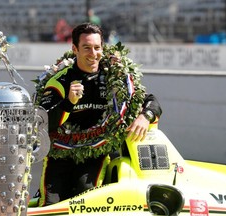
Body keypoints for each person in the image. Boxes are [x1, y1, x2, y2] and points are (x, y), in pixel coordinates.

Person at [35, 23, 162, 206]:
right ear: (74, 49)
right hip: (60, 155)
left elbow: (151, 101)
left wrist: (145, 116)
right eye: (86, 48)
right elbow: (45, 122)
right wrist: (69, 102)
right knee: (50, 205)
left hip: (96, 153)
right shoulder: (60, 80)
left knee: (85, 199)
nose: (93, 54)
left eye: (97, 48)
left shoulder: (114, 77)